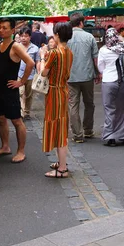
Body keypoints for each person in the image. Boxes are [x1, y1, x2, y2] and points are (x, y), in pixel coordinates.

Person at [0, 18, 35, 164]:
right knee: (0, 118)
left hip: (10, 89)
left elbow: (31, 63)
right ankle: (5, 147)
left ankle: (21, 151)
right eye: (0, 27)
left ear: (12, 30)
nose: (1, 30)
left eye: (4, 28)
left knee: (16, 120)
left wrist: (21, 81)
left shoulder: (16, 47)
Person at [41, 22, 73, 178]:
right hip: (63, 90)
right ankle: (62, 163)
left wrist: (42, 58)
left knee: (57, 129)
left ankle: (62, 168)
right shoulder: (69, 52)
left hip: (54, 92)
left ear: (58, 35)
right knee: (61, 128)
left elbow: (43, 73)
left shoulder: (54, 53)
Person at [97, 28, 124, 146]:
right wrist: (123, 40)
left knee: (110, 109)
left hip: (108, 81)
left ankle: (111, 137)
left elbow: (100, 67)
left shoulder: (103, 50)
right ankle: (123, 136)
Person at [67, 12, 100, 143]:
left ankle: (77, 134)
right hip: (87, 76)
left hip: (70, 77)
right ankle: (88, 130)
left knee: (73, 105)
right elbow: (95, 58)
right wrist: (98, 73)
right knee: (89, 104)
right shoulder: (89, 37)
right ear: (81, 23)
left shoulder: (66, 37)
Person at [18, 27, 41, 119]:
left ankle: (27, 112)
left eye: (26, 36)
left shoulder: (35, 48)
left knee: (28, 95)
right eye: (22, 36)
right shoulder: (17, 47)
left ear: (30, 37)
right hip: (19, 74)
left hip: (31, 75)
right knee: (20, 93)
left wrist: (39, 72)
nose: (23, 38)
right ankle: (21, 112)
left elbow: (37, 61)